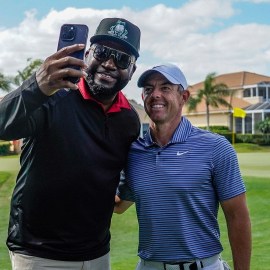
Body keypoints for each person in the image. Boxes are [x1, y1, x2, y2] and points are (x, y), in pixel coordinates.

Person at [0, 17, 141, 270]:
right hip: (38, 254)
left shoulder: (129, 119)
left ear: (132, 71)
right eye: (102, 52)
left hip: (97, 254)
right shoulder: (52, 96)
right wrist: (37, 87)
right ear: (87, 54)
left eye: (122, 59)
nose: (109, 63)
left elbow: (127, 172)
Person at [115, 64, 251, 270]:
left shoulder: (216, 147)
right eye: (149, 89)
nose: (155, 95)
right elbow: (119, 205)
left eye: (166, 88)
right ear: (143, 98)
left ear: (184, 97)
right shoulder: (134, 152)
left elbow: (237, 217)